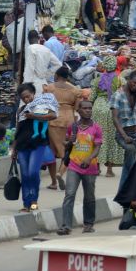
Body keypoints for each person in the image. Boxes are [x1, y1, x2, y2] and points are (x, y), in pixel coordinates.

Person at [57, 96, 101, 234]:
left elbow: (97, 147)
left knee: (89, 196)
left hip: (90, 167)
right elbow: (66, 143)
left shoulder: (96, 128)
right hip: (74, 166)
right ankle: (66, 226)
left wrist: (89, 158)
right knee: (69, 194)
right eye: (85, 108)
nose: (88, 111)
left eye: (90, 108)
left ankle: (88, 224)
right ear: (79, 110)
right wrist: (69, 141)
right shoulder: (73, 127)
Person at [11, 82, 57, 213]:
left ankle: (34, 201)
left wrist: (34, 116)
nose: (26, 99)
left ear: (33, 94)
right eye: (23, 98)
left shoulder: (42, 107)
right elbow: (17, 130)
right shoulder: (20, 111)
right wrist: (14, 149)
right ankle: (26, 203)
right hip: (22, 146)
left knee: (33, 173)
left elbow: (53, 116)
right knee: (25, 175)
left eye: (28, 96)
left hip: (38, 145)